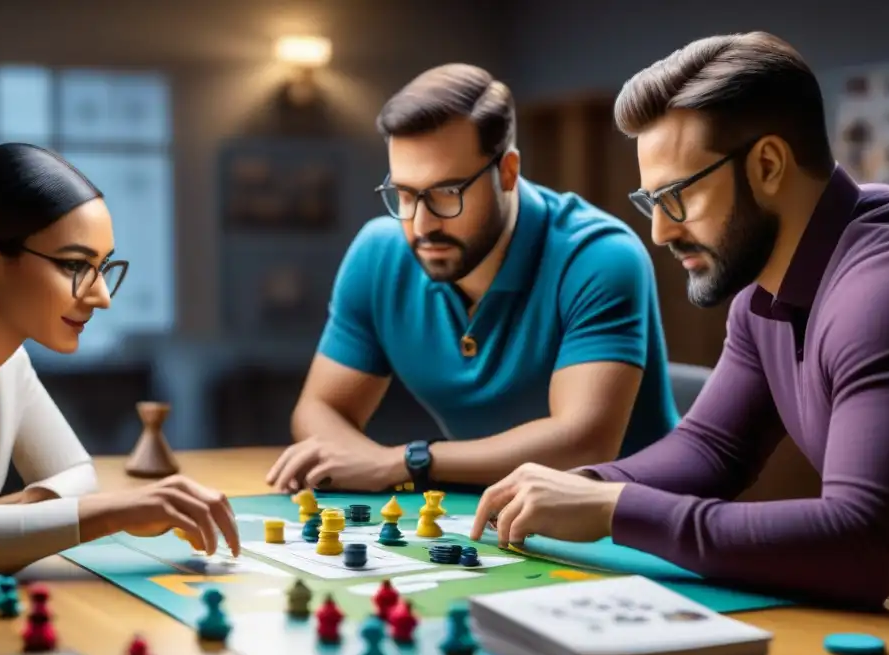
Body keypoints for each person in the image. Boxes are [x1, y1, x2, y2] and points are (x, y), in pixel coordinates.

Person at [470, 32, 889, 610]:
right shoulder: (763, 294)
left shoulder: (879, 292)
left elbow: (860, 541)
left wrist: (615, 509)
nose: (661, 232)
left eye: (677, 197)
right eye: (652, 203)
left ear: (768, 165)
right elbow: (712, 450)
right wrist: (587, 485)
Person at [266, 64, 678, 494]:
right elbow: (318, 409)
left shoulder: (600, 256)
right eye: (405, 194)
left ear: (508, 172)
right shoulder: (378, 253)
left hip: (630, 524)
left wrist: (404, 463)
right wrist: (368, 464)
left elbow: (584, 444)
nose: (422, 225)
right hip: (491, 517)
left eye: (447, 193)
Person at [0, 143, 239, 588]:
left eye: (103, 267)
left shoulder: (7, 364)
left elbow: (77, 477)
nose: (102, 296)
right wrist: (118, 511)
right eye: (73, 265)